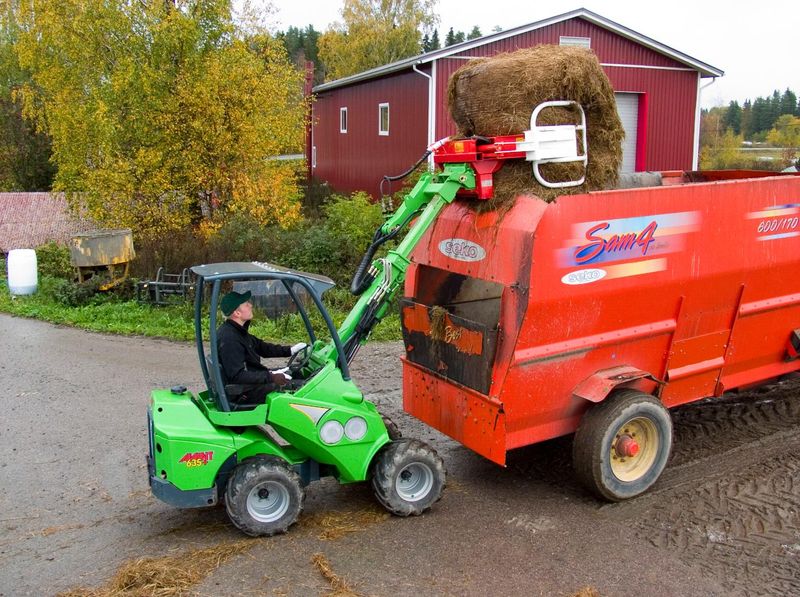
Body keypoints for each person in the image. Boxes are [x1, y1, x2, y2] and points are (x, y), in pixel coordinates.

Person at [217, 290, 306, 405]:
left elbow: (261, 347)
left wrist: (290, 350)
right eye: (246, 304)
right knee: (302, 387)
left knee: (296, 373)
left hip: (249, 384)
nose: (250, 305)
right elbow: (237, 376)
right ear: (237, 313)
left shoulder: (238, 331)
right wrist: (271, 377)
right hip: (244, 393)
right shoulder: (230, 338)